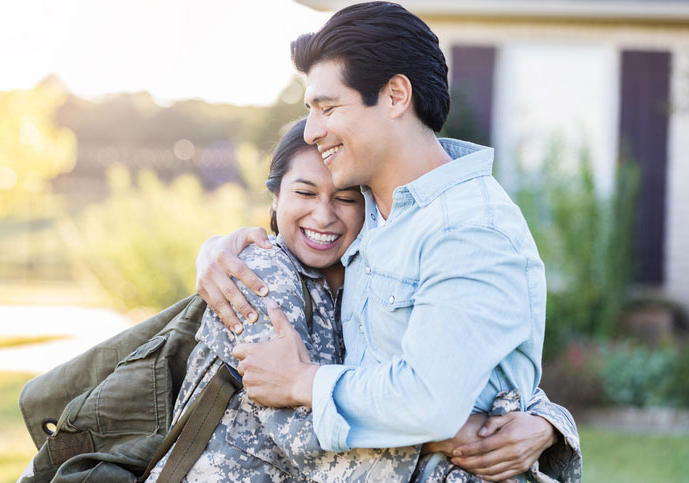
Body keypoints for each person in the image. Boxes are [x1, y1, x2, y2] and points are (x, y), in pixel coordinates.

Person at [194, 2, 581, 482]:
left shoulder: (469, 228)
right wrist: (219, 246)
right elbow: (471, 371)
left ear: (396, 95)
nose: (312, 132)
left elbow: (430, 400)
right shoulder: (374, 213)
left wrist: (302, 382)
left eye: (328, 107)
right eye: (309, 111)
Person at [148, 119, 578, 482]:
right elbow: (303, 433)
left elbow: (459, 367)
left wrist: (548, 425)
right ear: (275, 198)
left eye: (345, 198)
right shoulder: (259, 275)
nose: (323, 215)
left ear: (368, 206)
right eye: (304, 193)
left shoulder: (368, 277)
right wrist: (445, 431)